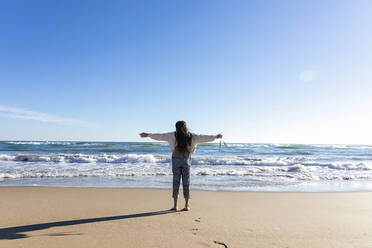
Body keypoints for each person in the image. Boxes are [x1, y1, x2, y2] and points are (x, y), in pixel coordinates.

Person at [140, 121, 222, 211]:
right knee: (186, 183)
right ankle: (186, 206)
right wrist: (215, 137)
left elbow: (160, 136)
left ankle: (175, 206)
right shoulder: (191, 135)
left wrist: (148, 135)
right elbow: (204, 138)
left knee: (176, 182)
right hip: (186, 160)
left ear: (176, 127)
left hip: (176, 160)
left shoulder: (172, 135)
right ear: (186, 127)